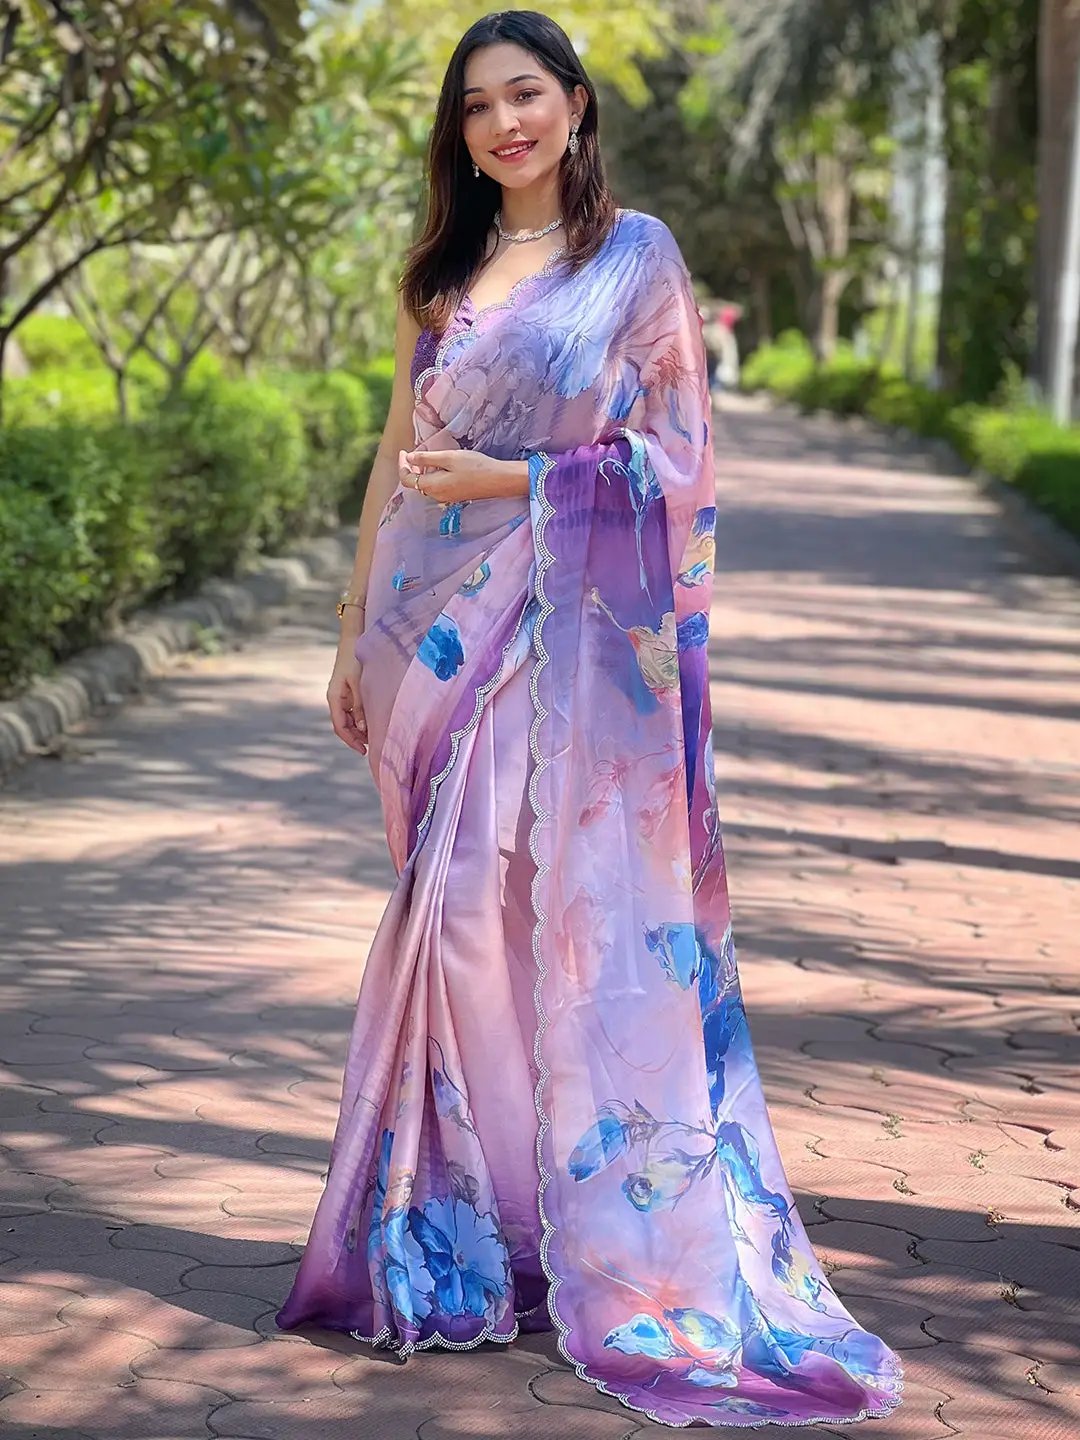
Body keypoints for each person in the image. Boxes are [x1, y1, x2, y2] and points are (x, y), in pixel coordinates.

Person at [275, 10, 903, 1429]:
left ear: (573, 104)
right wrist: (348, 630)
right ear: (461, 131)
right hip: (431, 631)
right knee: (458, 922)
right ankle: (484, 1232)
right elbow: (394, 452)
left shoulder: (638, 260)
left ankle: (576, 1233)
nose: (506, 122)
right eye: (479, 104)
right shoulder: (440, 273)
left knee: (506, 920)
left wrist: (516, 488)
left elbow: (678, 460)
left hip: (565, 640)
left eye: (527, 95)